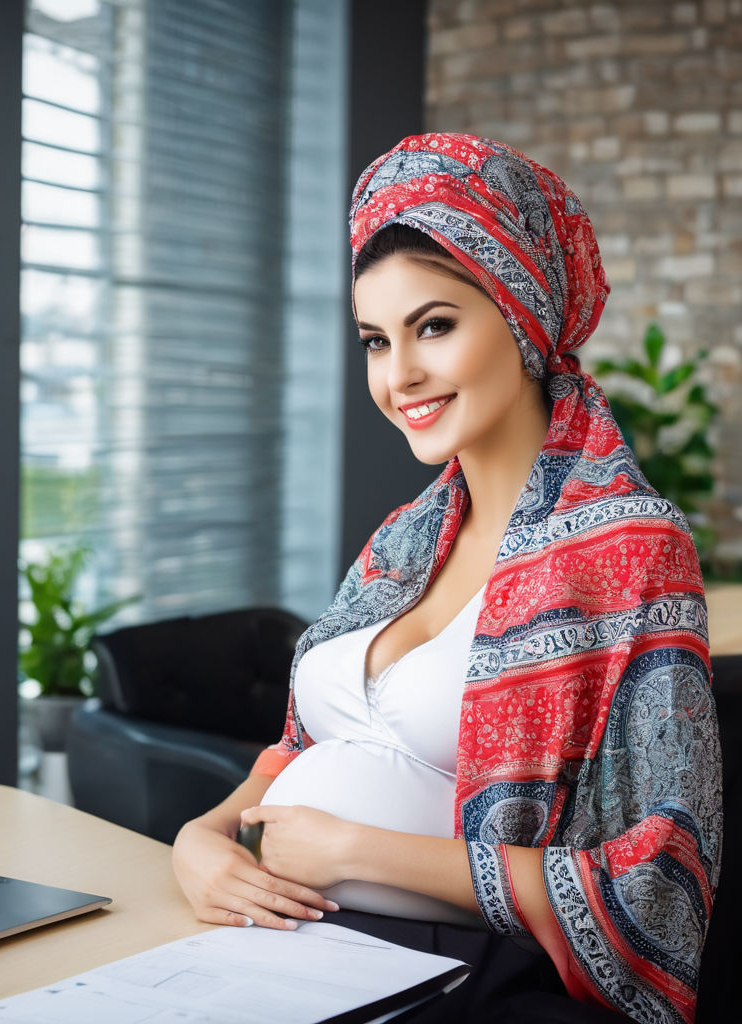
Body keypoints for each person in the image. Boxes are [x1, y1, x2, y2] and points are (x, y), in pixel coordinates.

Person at [172, 133, 721, 1023]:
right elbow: (307, 748)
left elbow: (656, 887)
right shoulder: (403, 542)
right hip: (275, 952)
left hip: (455, 984)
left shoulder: (630, 546)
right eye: (376, 340)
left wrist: (356, 849)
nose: (400, 376)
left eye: (434, 326)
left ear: (520, 315)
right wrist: (201, 838)